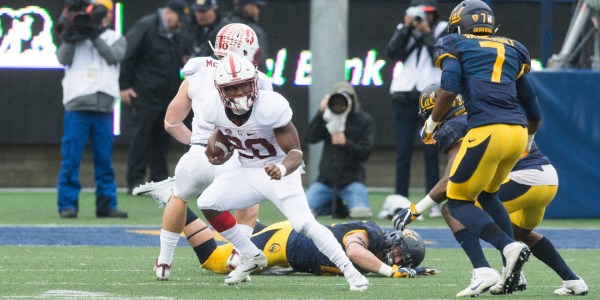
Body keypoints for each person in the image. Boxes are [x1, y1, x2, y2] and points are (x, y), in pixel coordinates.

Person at [403, 0, 544, 295]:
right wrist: (528, 140)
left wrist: (431, 123)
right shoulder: (514, 47)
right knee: (488, 194)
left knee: (456, 201)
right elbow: (532, 104)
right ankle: (512, 273)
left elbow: (449, 87)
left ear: (459, 24)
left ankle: (505, 251)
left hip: (487, 130)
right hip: (518, 132)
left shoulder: (454, 42)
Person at [195, 54, 369, 291]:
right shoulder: (212, 107)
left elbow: (296, 152)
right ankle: (251, 255)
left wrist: (281, 168)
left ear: (254, 83)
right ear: (221, 91)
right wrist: (216, 150)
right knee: (208, 201)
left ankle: (350, 271)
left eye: (245, 84)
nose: (241, 92)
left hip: (278, 169)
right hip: (247, 169)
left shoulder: (270, 105)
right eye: (233, 88)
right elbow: (223, 132)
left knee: (305, 224)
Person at [394, 85, 589, 296]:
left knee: (453, 208)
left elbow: (452, 179)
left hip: (523, 178)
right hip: (547, 178)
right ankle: (572, 280)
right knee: (519, 232)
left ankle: (483, 270)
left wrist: (416, 209)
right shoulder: (482, 114)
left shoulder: (455, 125)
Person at [133, 23, 271, 281]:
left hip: (197, 156)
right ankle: (238, 255)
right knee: (250, 204)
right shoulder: (258, 80)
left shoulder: (198, 71)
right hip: (234, 157)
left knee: (179, 197)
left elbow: (171, 122)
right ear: (245, 50)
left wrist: (199, 144)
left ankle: (163, 262)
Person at [177, 205, 433, 278]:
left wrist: (414, 270)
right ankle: (176, 202)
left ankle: (246, 225)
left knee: (247, 237)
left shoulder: (378, 247)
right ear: (392, 239)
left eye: (402, 260)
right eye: (399, 253)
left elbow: (368, 261)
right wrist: (390, 271)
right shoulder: (372, 235)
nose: (396, 259)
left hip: (292, 242)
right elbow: (354, 252)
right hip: (285, 243)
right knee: (214, 261)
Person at [56, 0, 127, 219]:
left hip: (104, 107)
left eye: (103, 13)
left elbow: (113, 56)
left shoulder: (116, 38)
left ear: (109, 16)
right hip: (77, 105)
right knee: (71, 158)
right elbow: (62, 58)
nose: (100, 17)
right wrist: (71, 34)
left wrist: (93, 35)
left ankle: (106, 205)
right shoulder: (75, 36)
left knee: (104, 159)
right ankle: (67, 205)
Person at [119, 0, 190, 194]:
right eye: (178, 18)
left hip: (168, 96)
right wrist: (124, 86)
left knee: (163, 139)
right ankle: (135, 181)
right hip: (145, 94)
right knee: (141, 138)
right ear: (168, 14)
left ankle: (159, 180)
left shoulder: (176, 34)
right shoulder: (146, 26)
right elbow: (128, 55)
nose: (180, 23)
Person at [386, 0, 447, 215]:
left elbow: (438, 57)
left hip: (431, 96)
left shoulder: (443, 29)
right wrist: (406, 28)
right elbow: (393, 53)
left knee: (430, 149)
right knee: (403, 151)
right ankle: (400, 199)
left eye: (428, 13)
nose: (424, 17)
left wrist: (427, 32)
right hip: (404, 94)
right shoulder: (405, 29)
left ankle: (432, 201)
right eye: (420, 14)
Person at [304, 82, 375, 219]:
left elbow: (365, 153)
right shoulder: (326, 118)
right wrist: (320, 113)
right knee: (302, 212)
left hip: (352, 181)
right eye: (338, 98)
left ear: (353, 100)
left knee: (360, 213)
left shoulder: (364, 120)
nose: (341, 103)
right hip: (325, 181)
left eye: (347, 98)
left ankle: (339, 207)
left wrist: (346, 143)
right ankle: (333, 207)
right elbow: (309, 138)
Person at [219, 0, 269, 70]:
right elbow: (259, 64)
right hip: (244, 77)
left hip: (220, 75)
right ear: (248, 6)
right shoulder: (254, 32)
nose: (257, 11)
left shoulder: (221, 25)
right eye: (256, 6)